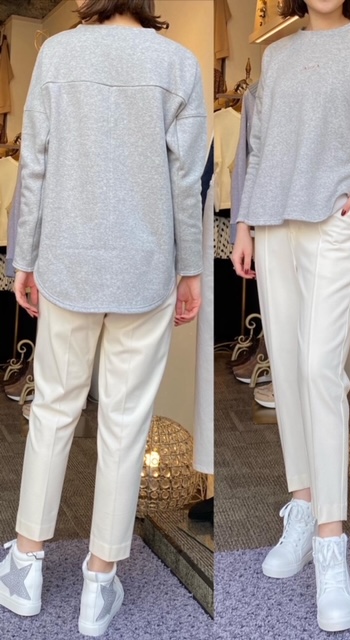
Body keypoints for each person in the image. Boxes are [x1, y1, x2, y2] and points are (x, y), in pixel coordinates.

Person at [0, 0, 207, 636]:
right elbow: (186, 181)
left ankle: (26, 566)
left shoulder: (58, 53)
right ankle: (99, 580)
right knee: (125, 421)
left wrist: (23, 257)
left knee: (53, 411)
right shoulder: (178, 64)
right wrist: (191, 268)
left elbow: (35, 163)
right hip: (146, 269)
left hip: (68, 262)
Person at [231, 0, 350, 632]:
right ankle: (302, 507)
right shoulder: (277, 54)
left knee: (320, 370)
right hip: (273, 222)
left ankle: (332, 547)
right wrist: (244, 223)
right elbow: (257, 146)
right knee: (286, 370)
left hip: (336, 220)